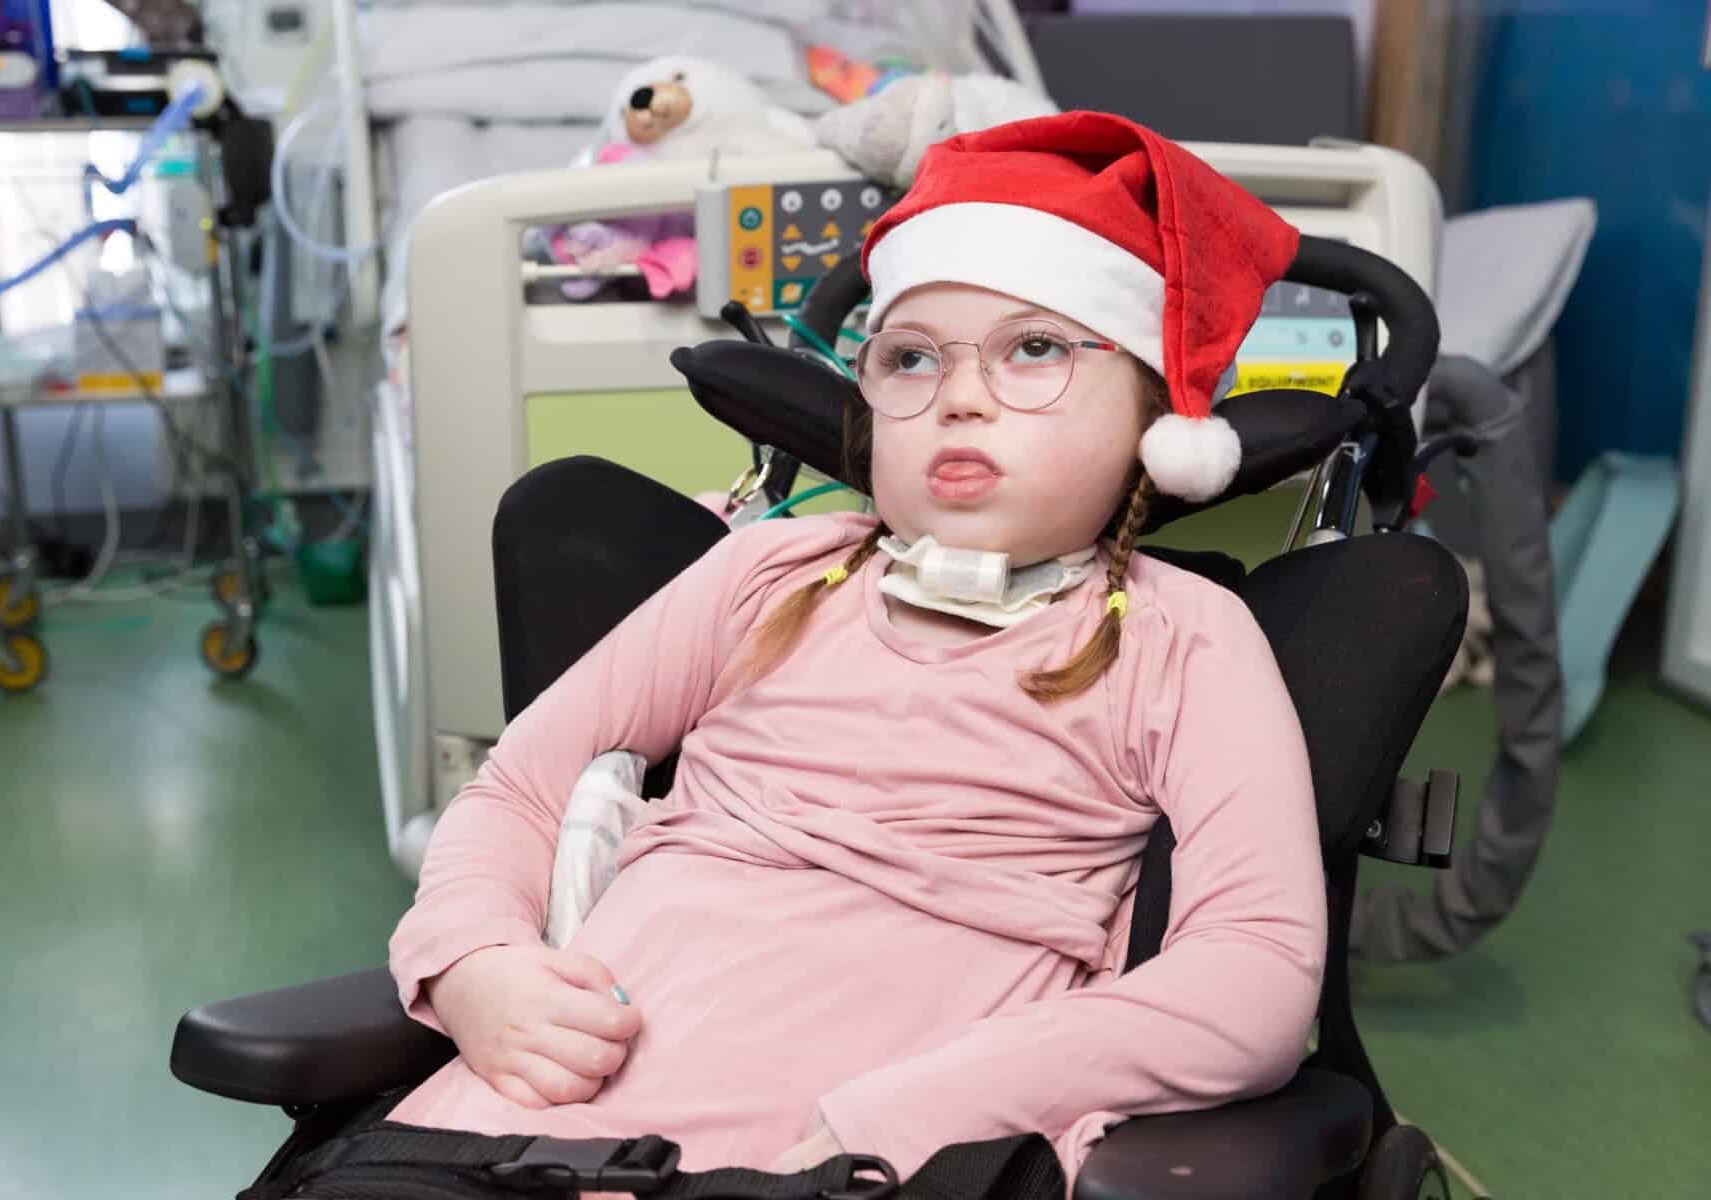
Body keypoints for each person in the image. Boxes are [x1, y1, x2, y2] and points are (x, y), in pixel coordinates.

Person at [386, 111, 1326, 1191]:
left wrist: (918, 1110)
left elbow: (1253, 976)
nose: (960, 397)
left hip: (865, 1149)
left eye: (1035, 349)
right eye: (912, 359)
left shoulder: (1184, 637)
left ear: (1153, 425)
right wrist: (472, 962)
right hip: (528, 1122)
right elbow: (516, 792)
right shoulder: (765, 575)